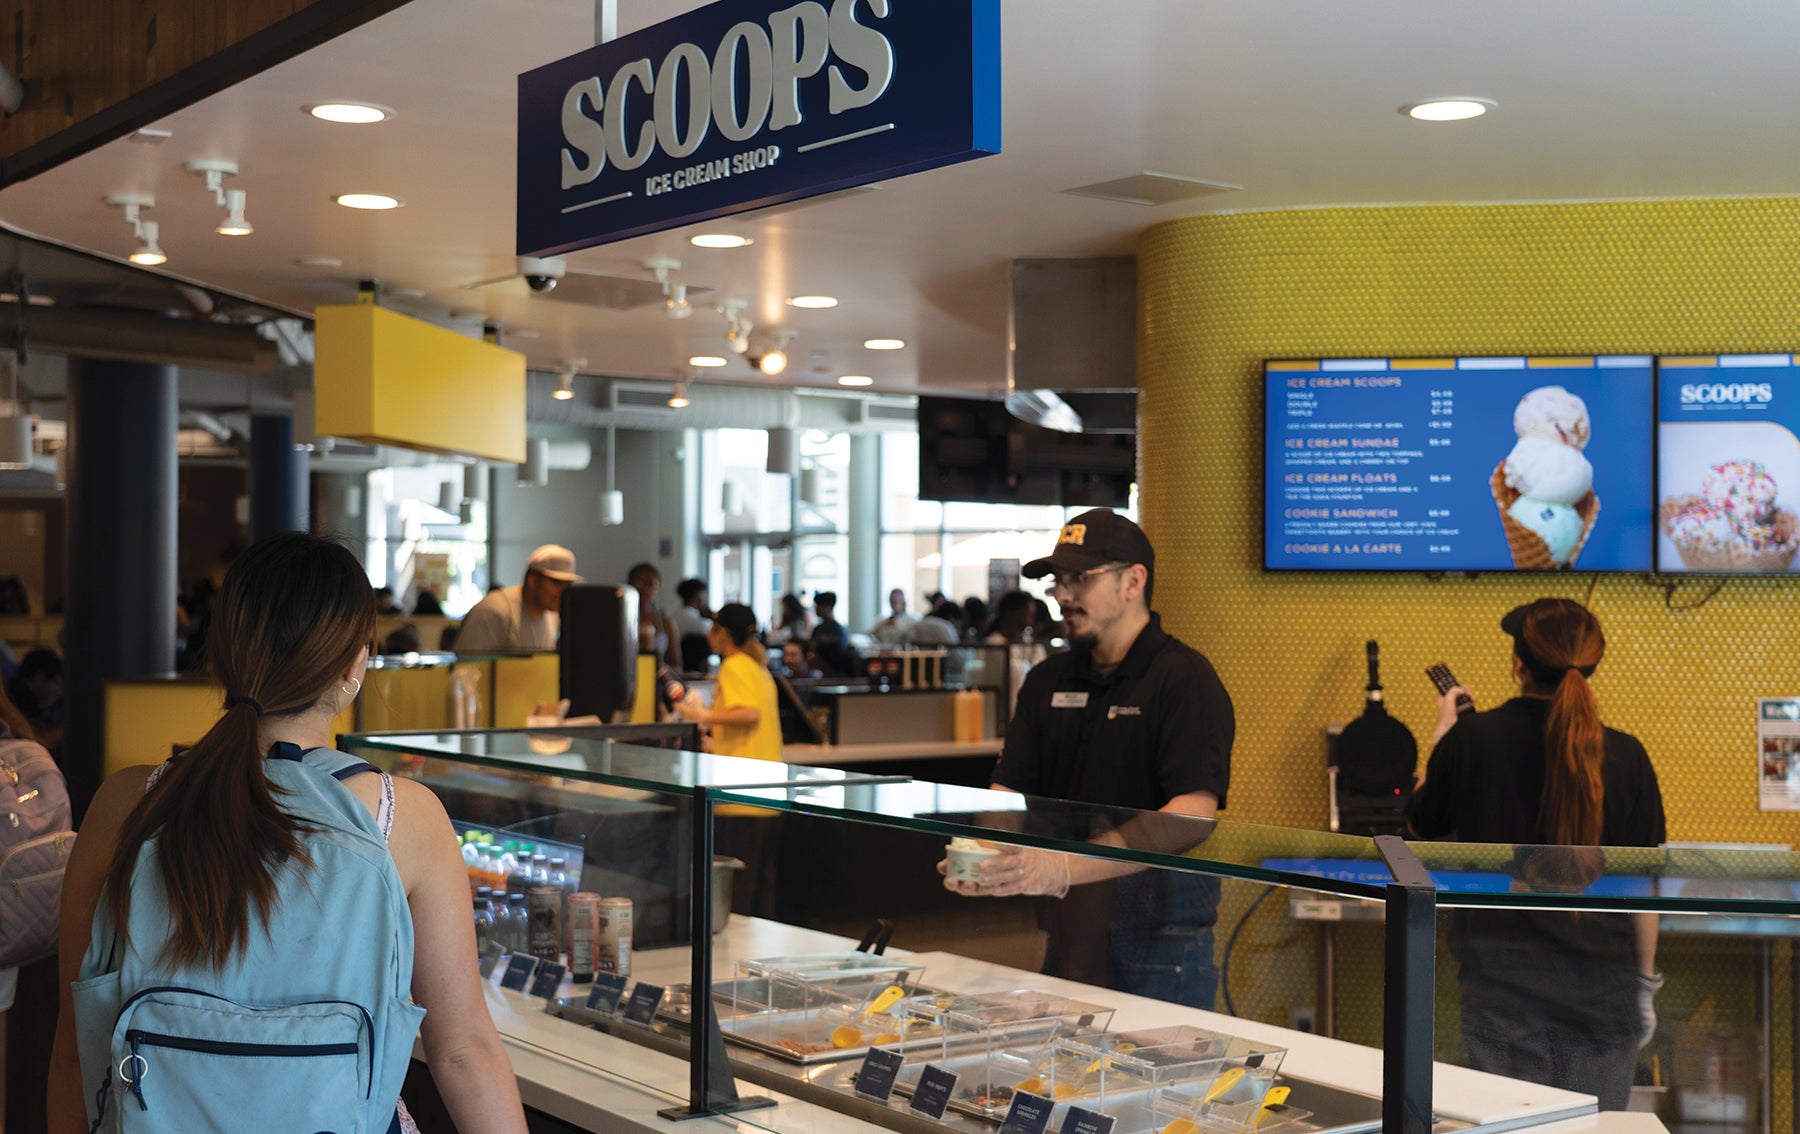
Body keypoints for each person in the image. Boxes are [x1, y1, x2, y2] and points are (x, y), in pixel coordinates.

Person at [48, 532, 527, 1134]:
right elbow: (463, 1052)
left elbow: (74, 1051)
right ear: (355, 665)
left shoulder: (126, 805)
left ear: (221, 655)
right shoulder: (405, 819)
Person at [944, 509, 1235, 1010]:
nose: (1061, 595)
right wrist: (986, 851)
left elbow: (1191, 814)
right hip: (1069, 925)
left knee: (1158, 1082)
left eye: (1080, 579)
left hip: (1161, 935)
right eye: (1058, 580)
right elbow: (1008, 789)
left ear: (1133, 581)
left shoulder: (1183, 679)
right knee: (1067, 1078)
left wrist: (1064, 866)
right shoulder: (1048, 680)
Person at [1407, 598, 1665, 1111]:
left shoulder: (1470, 740)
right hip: (1604, 999)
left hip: (1501, 992)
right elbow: (1643, 886)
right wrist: (1644, 985)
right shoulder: (1627, 754)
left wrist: (1442, 737)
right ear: (1592, 662)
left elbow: (1418, 835)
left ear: (1518, 663)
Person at [677, 604, 781, 761]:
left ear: (722, 633)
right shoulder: (757, 666)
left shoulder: (733, 665)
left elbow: (750, 714)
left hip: (745, 770)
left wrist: (703, 715)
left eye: (713, 627)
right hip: (764, 764)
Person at [455, 544, 580, 655]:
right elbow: (465, 669)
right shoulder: (494, 611)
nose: (563, 592)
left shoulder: (552, 614)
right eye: (557, 583)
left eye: (568, 585)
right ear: (532, 580)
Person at [5, 647, 64, 751]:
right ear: (38, 678)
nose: (58, 687)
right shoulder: (15, 702)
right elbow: (37, 743)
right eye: (54, 681)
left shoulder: (46, 702)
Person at [627, 562, 682, 669]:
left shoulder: (666, 623)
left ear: (657, 588)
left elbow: (676, 664)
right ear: (630, 584)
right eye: (639, 582)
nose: (644, 588)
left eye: (650, 584)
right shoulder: (621, 621)